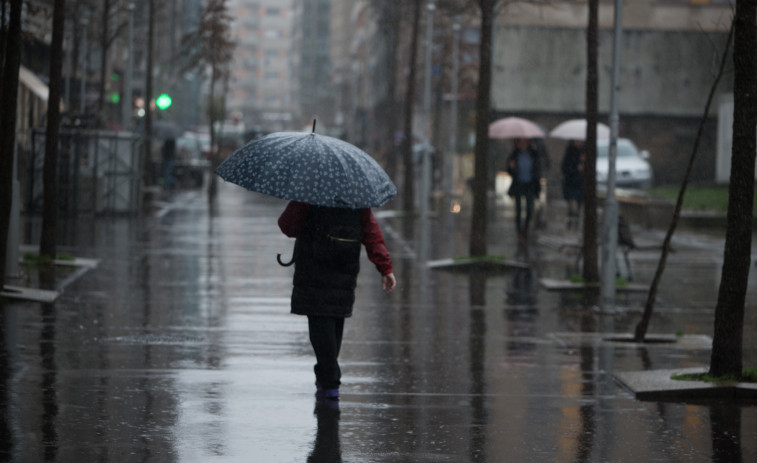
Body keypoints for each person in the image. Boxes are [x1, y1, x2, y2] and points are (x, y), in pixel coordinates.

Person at [278, 201, 396, 400]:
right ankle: (328, 381)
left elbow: (288, 227)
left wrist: (300, 202)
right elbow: (370, 232)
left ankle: (329, 382)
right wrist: (385, 268)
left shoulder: (309, 193)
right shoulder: (356, 198)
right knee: (332, 328)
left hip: (314, 272)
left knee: (322, 330)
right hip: (343, 272)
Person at [506, 138, 542, 242]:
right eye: (520, 142)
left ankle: (525, 229)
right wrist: (511, 167)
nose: (522, 144)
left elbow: (537, 169)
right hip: (518, 184)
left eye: (524, 142)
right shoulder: (514, 154)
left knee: (529, 209)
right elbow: (509, 170)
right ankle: (519, 232)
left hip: (530, 185)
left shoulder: (533, 154)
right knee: (518, 210)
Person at [560, 139, 585, 230]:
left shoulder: (584, 153)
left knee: (578, 209)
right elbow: (564, 168)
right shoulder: (569, 152)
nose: (579, 142)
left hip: (580, 185)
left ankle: (575, 227)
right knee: (572, 208)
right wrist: (575, 169)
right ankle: (570, 226)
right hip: (570, 185)